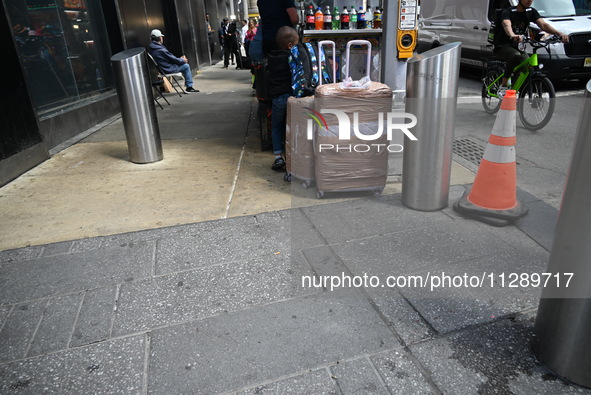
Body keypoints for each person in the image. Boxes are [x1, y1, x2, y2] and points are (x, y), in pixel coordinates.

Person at [493, 0, 568, 97]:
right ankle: (503, 85)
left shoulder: (531, 11)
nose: (530, 1)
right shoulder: (508, 11)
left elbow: (543, 25)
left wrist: (559, 34)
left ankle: (513, 90)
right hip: (503, 45)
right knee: (515, 56)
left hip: (518, 46)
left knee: (526, 65)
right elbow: (506, 25)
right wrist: (512, 35)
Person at [267, 26, 308, 171]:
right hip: (292, 97)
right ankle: (297, 156)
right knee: (295, 127)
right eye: (296, 44)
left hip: (278, 98)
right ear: (290, 46)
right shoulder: (292, 57)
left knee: (276, 126)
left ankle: (278, 157)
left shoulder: (272, 59)